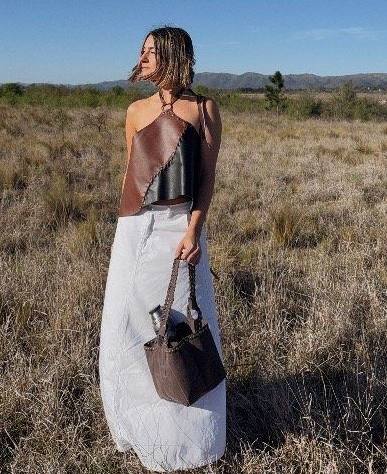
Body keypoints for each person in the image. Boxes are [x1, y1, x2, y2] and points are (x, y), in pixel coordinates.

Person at [98, 26, 226, 471]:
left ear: (173, 54)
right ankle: (141, 429)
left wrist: (193, 231)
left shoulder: (205, 109)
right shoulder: (135, 110)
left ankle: (188, 441)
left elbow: (207, 179)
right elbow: (131, 174)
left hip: (181, 229)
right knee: (131, 325)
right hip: (135, 229)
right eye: (141, 50)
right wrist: (123, 231)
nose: (142, 57)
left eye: (151, 50)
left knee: (184, 324)